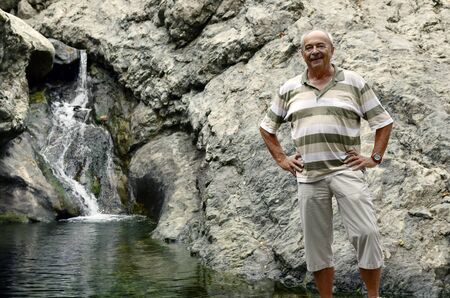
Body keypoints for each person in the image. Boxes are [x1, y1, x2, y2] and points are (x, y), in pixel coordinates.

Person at [259, 29, 393, 298]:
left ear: (332, 50)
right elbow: (266, 127)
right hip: (309, 177)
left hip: (347, 171)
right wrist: (282, 159)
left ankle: (374, 296)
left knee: (366, 233)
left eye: (320, 46)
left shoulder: (353, 82)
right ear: (302, 54)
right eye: (308, 48)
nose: (314, 51)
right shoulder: (289, 88)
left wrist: (374, 157)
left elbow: (383, 121)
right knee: (317, 246)